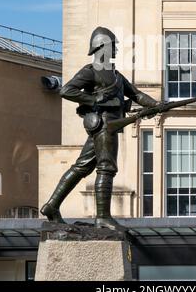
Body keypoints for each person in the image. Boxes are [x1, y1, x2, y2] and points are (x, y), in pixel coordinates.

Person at [41, 27, 158, 231]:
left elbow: (137, 95)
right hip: (104, 125)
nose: (116, 50)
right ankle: (102, 216)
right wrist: (93, 98)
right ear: (101, 47)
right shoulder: (90, 71)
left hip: (109, 125)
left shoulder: (117, 76)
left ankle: (52, 205)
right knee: (106, 168)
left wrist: (156, 105)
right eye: (113, 46)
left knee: (82, 167)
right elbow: (67, 90)